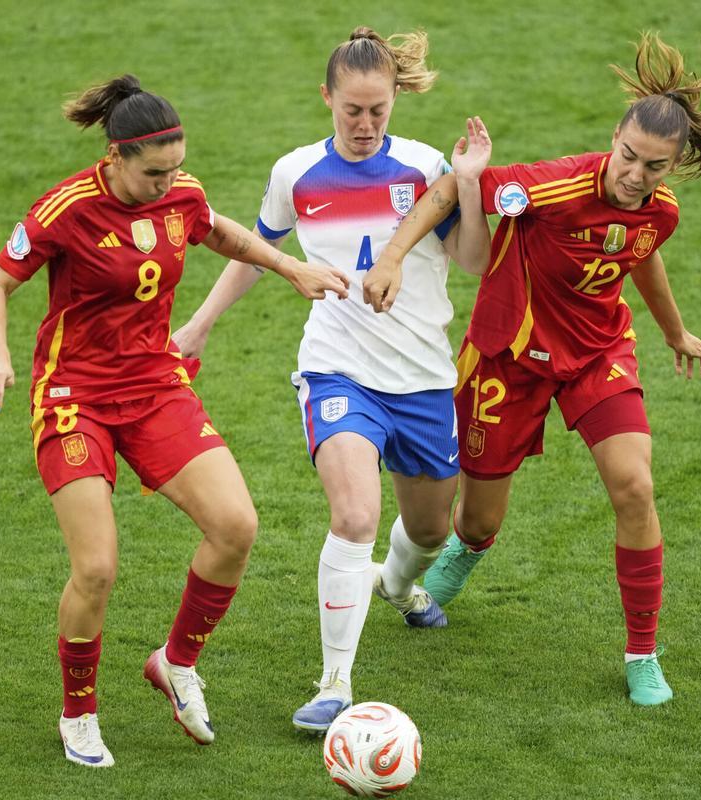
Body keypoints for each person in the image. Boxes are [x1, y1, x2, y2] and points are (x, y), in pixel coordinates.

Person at [0, 75, 349, 767]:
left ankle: (176, 664)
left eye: (176, 168)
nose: (168, 182)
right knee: (97, 567)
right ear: (114, 158)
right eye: (154, 173)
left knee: (236, 527)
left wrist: (290, 266)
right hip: (74, 398)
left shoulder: (181, 191)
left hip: (153, 386)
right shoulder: (66, 209)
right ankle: (79, 714)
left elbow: (219, 231)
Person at [365, 33, 701, 706]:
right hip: (508, 361)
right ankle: (461, 558)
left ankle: (642, 651)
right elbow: (448, 190)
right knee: (475, 523)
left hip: (596, 355)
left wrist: (675, 331)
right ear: (613, 139)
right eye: (628, 157)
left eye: (653, 166)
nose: (635, 176)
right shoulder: (554, 185)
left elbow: (639, 247)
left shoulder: (659, 209)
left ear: (671, 165)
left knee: (635, 489)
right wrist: (391, 257)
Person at [171, 27, 491, 732]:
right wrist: (199, 325)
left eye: (379, 110)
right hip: (336, 368)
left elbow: (472, 260)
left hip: (423, 378)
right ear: (327, 98)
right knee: (353, 516)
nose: (366, 124)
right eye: (353, 110)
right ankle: (334, 683)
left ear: (396, 101)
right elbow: (256, 253)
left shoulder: (423, 166)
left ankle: (399, 586)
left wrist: (466, 183)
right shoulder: (296, 174)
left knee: (433, 527)